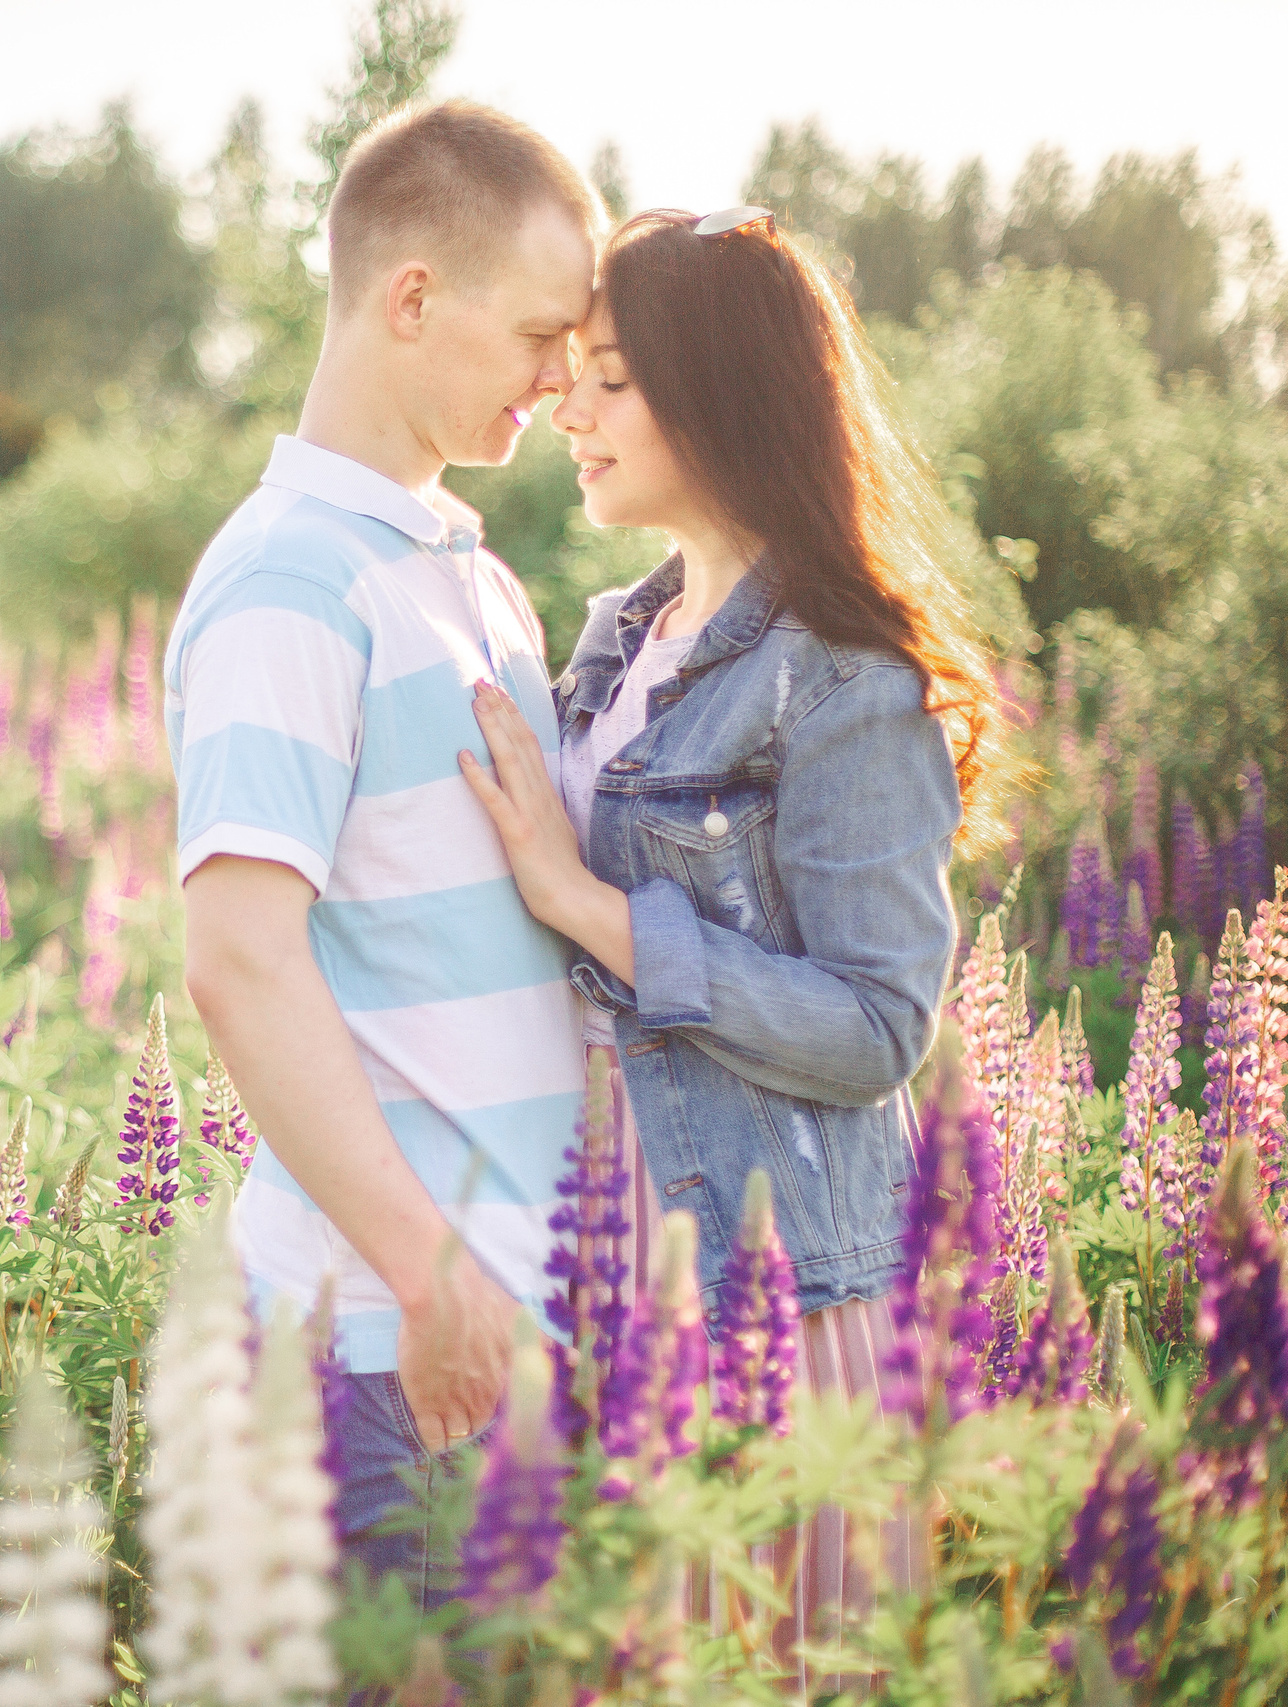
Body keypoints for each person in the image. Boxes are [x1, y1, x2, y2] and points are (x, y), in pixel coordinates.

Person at [457, 205, 1011, 1658]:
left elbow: (880, 1027)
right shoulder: (616, 639)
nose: (568, 409)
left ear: (719, 397)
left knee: (751, 1661)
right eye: (574, 374)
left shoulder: (847, 677)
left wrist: (586, 903)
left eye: (613, 380)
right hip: (590, 1243)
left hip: (760, 1276)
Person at [170, 99, 604, 1600]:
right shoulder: (291, 584)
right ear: (412, 298)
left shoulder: (467, 575)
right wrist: (433, 1282)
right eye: (538, 335)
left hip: (501, 1330)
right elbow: (238, 964)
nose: (563, 378)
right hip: (387, 1350)